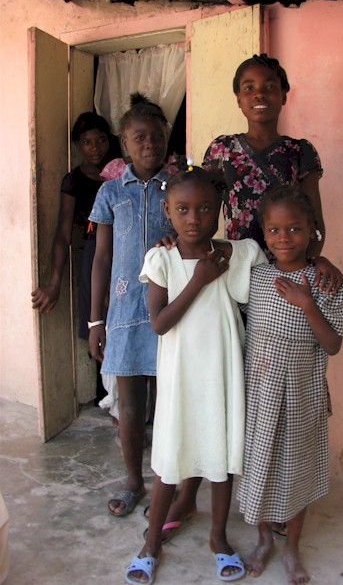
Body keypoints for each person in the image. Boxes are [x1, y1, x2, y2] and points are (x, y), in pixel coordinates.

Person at [153, 53, 343, 540]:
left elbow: (315, 222)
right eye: (248, 86)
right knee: (210, 383)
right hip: (228, 271)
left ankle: (275, 493)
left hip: (278, 282)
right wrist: (174, 240)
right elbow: (196, 202)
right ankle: (188, 486)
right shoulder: (222, 149)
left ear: (284, 93)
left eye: (269, 85)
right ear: (238, 97)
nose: (259, 93)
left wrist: (316, 259)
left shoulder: (300, 152)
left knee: (267, 395)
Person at [126, 166, 267, 584]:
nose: (194, 219)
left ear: (219, 209)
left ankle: (219, 539)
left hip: (222, 377)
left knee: (221, 459)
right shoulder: (163, 259)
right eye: (183, 209)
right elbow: (159, 323)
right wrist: (200, 280)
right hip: (181, 382)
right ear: (168, 212)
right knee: (172, 460)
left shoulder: (233, 254)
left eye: (205, 209)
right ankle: (151, 543)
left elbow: (262, 264)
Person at [239, 184, 343, 584]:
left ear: (312, 232)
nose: (284, 238)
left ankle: (291, 547)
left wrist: (307, 303)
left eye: (295, 229)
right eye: (274, 230)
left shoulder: (325, 283)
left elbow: (333, 344)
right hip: (259, 394)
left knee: (296, 469)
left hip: (302, 394)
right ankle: (264, 538)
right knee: (258, 468)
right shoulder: (256, 276)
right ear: (263, 233)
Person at [88, 95, 172, 517]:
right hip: (123, 313)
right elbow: (101, 258)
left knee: (170, 400)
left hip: (170, 311)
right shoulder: (109, 192)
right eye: (140, 137)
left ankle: (168, 481)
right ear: (124, 143)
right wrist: (95, 321)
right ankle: (134, 481)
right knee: (131, 404)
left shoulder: (177, 187)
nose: (149, 144)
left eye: (157, 136)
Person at [31, 112, 115, 403]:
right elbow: (62, 234)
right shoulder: (74, 181)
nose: (96, 147)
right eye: (87, 142)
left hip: (125, 257)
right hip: (94, 259)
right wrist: (54, 282)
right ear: (78, 145)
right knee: (98, 327)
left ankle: (129, 403)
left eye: (101, 139)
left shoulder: (120, 173)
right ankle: (107, 399)